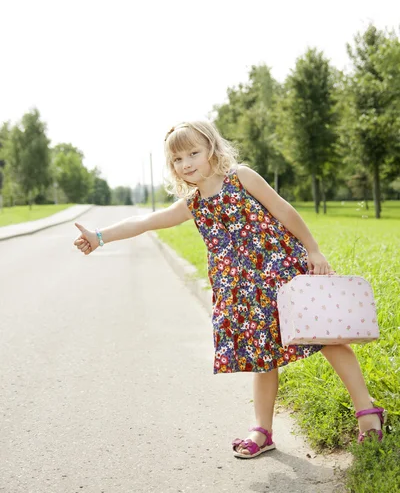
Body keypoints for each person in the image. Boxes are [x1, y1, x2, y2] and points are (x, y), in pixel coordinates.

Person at [74, 120, 385, 458]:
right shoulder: (192, 205)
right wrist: (99, 236)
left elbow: (283, 209)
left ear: (211, 149)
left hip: (282, 274)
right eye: (178, 159)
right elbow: (144, 222)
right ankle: (262, 430)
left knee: (326, 338)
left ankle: (367, 413)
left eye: (194, 152)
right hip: (242, 292)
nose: (187, 163)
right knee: (262, 358)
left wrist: (313, 249)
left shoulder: (242, 177)